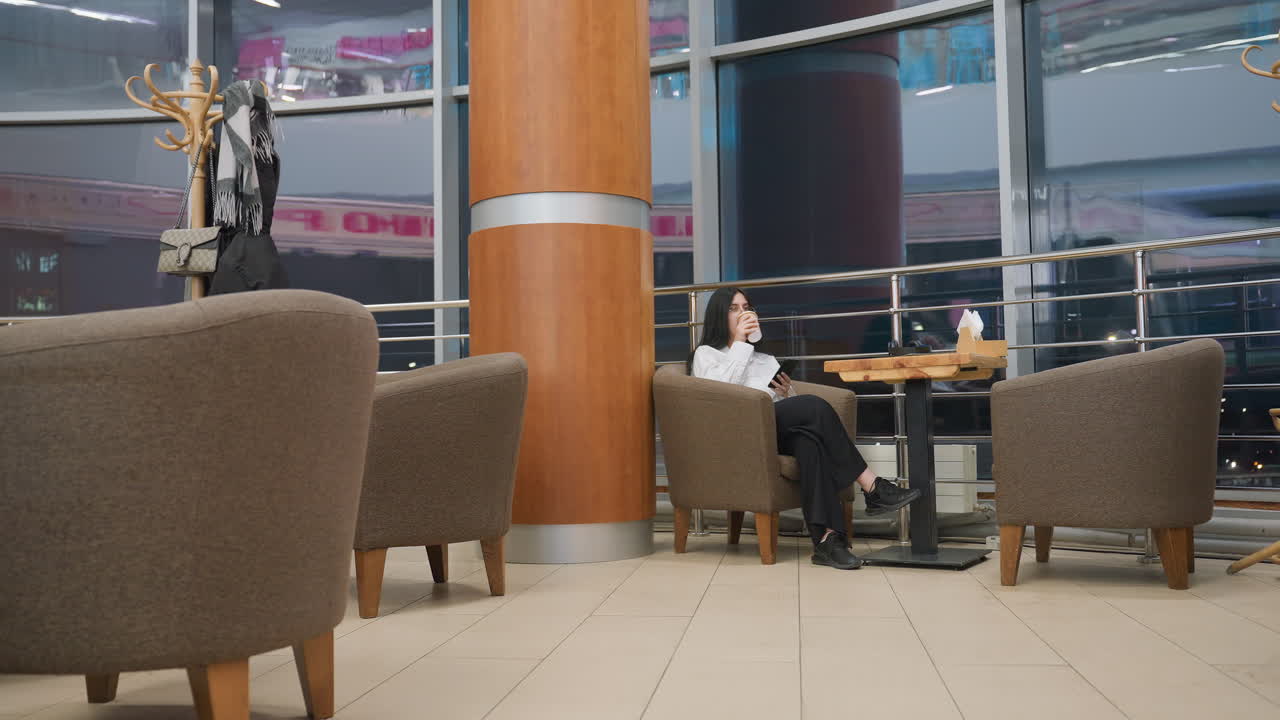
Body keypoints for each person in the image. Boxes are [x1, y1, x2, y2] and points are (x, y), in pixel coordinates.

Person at [688, 287, 922, 570]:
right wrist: (740, 342)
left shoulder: (764, 359)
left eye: (747, 307)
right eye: (734, 308)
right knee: (813, 408)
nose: (744, 313)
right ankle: (873, 486)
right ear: (719, 315)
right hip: (738, 433)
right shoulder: (707, 354)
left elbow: (790, 408)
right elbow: (720, 396)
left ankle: (828, 541)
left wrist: (785, 393)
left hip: (773, 431)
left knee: (809, 441)